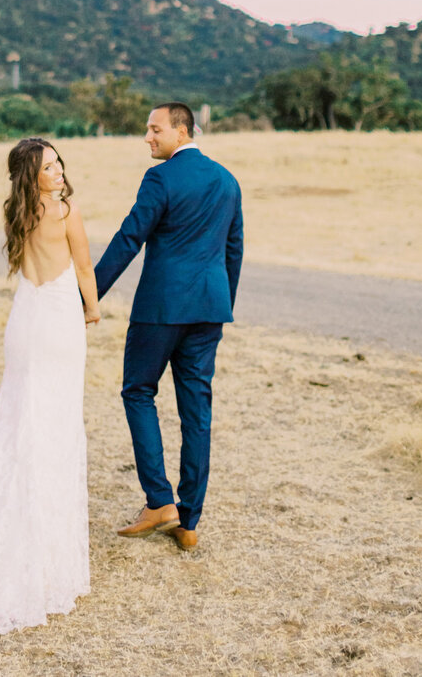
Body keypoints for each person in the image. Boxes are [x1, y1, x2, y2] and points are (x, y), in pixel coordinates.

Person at [0, 137, 100, 635]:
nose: (58, 172)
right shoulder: (64, 210)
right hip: (56, 321)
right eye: (48, 167)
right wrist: (92, 309)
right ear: (31, 174)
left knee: (20, 425)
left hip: (24, 320)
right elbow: (85, 267)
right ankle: (44, 555)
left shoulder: (16, 211)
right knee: (52, 429)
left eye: (59, 164)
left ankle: (15, 542)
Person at [94, 103, 243, 551]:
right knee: (197, 412)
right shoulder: (226, 180)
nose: (147, 137)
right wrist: (220, 304)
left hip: (160, 309)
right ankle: (189, 521)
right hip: (209, 310)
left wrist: (88, 294)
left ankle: (160, 501)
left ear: (182, 131)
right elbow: (233, 249)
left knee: (138, 391)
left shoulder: (160, 178)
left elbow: (128, 238)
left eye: (154, 129)